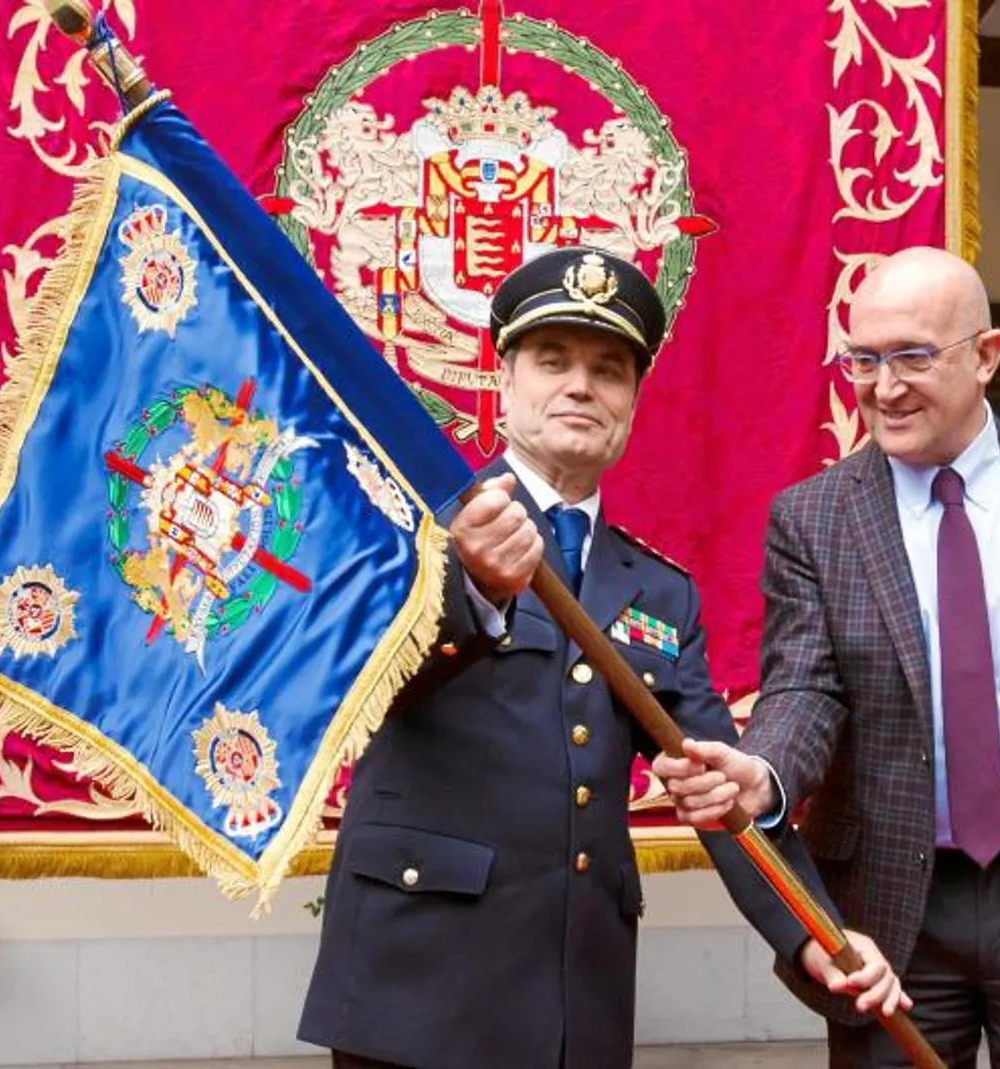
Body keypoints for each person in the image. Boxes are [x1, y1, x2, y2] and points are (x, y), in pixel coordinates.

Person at [298, 247, 906, 1069]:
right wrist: (473, 585)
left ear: (631, 402)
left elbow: (711, 785)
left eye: (609, 369)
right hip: (416, 986)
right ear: (505, 382)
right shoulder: (410, 520)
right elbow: (353, 679)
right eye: (553, 361)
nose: (581, 385)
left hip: (572, 1000)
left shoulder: (658, 590)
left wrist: (815, 934)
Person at [653, 246, 1000, 1069]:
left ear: (986, 356)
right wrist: (764, 775)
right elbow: (807, 688)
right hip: (892, 917)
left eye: (912, 356)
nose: (883, 385)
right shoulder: (816, 518)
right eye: (862, 360)